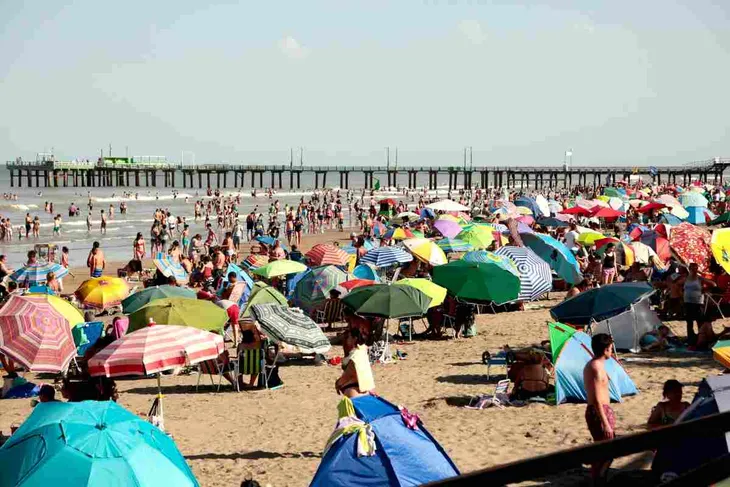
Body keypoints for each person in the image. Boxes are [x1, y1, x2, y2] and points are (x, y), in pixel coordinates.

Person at [583, 333, 615, 485]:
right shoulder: (595, 366)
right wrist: (605, 422)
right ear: (605, 349)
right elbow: (596, 399)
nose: (612, 351)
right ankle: (598, 479)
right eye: (610, 348)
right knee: (607, 450)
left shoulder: (597, 365)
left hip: (602, 410)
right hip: (599, 411)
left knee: (604, 450)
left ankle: (600, 478)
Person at [678, 263, 715, 345]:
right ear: (689, 269)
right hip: (688, 301)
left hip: (698, 302)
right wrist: (681, 294)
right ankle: (690, 338)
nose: (695, 270)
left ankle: (701, 337)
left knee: (699, 320)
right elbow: (677, 284)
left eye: (696, 268)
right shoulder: (686, 278)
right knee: (689, 321)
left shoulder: (699, 278)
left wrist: (705, 289)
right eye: (693, 269)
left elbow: (713, 284)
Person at [335, 327, 375, 398]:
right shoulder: (362, 351)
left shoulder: (356, 355)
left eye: (348, 337)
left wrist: (338, 384)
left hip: (354, 390)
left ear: (354, 339)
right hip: (366, 390)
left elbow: (349, 374)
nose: (347, 339)